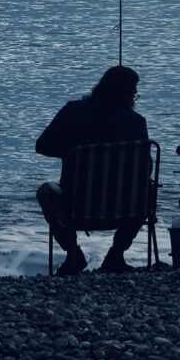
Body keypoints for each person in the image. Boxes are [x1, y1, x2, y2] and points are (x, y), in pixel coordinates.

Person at [34, 64, 150, 274]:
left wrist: (72, 153)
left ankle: (73, 254)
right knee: (147, 189)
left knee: (45, 192)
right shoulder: (136, 122)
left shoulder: (72, 111)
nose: (135, 97)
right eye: (134, 92)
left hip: (76, 205)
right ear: (127, 93)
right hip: (125, 209)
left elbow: (42, 146)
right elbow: (146, 168)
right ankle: (116, 255)